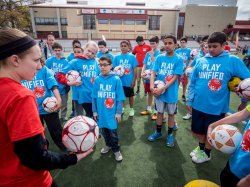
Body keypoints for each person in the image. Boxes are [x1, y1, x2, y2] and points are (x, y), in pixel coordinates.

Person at [0, 28, 92, 187]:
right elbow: (35, 158)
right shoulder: (20, 96)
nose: (39, 66)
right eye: (36, 60)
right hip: (28, 181)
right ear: (15, 60)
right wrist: (71, 158)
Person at [187, 31, 250, 164]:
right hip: (198, 104)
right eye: (209, 46)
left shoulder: (232, 60)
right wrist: (190, 100)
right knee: (200, 131)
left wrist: (241, 94)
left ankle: (207, 153)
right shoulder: (201, 60)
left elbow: (247, 80)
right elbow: (192, 82)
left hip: (216, 107)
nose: (210, 49)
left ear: (224, 45)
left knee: (212, 132)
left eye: (214, 46)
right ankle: (201, 148)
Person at [22, 58, 66, 151]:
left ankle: (64, 146)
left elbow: (53, 84)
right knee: (37, 134)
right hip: (32, 109)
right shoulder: (21, 73)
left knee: (56, 130)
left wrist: (58, 98)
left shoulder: (44, 69)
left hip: (49, 108)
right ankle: (43, 149)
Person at [147, 34, 184, 147]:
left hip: (171, 93)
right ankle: (158, 132)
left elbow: (175, 77)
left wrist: (163, 88)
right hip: (159, 93)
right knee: (159, 113)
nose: (167, 45)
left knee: (171, 115)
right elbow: (153, 72)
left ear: (175, 45)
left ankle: (170, 135)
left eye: (170, 43)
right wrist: (152, 85)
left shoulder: (178, 59)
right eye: (165, 43)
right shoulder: (159, 58)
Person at [92, 56, 125, 161]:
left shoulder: (116, 79)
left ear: (111, 66)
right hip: (101, 113)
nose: (102, 67)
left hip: (112, 113)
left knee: (113, 133)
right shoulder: (97, 79)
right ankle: (108, 145)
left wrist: (118, 112)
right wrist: (94, 111)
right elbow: (94, 97)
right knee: (104, 132)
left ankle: (116, 149)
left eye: (105, 65)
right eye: (100, 65)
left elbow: (120, 98)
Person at [207, 105, 250, 187]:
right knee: (225, 178)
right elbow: (241, 114)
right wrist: (212, 125)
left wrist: (248, 180)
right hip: (235, 163)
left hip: (245, 176)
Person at [58, 41, 100, 118]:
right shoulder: (75, 62)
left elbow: (99, 76)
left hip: (93, 94)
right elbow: (60, 75)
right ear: (84, 48)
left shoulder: (95, 62)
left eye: (93, 53)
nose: (90, 54)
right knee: (80, 118)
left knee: (93, 116)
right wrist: (69, 83)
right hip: (80, 95)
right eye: (89, 50)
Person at [113, 40, 138, 117]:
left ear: (128, 47)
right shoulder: (116, 57)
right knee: (121, 96)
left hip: (129, 81)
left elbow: (135, 69)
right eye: (122, 46)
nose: (123, 47)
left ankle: (131, 109)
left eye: (125, 46)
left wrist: (134, 80)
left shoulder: (132, 57)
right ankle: (122, 108)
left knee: (130, 96)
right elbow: (114, 69)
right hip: (119, 81)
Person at [46, 42, 69, 122]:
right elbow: (46, 72)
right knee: (54, 102)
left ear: (62, 50)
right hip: (53, 86)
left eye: (59, 50)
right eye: (56, 50)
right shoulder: (49, 61)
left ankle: (63, 116)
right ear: (53, 51)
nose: (58, 52)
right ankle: (55, 115)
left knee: (64, 103)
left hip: (63, 86)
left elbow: (67, 74)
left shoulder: (65, 61)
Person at [140, 36, 160, 117]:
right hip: (148, 77)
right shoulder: (147, 53)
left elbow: (157, 65)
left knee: (156, 94)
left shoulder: (159, 54)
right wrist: (142, 73)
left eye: (153, 43)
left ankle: (156, 111)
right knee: (149, 93)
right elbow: (144, 64)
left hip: (156, 78)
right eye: (150, 43)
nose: (152, 45)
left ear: (157, 43)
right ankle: (149, 109)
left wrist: (152, 56)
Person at [175, 37, 192, 102]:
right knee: (177, 83)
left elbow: (191, 59)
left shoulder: (189, 51)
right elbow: (175, 60)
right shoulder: (177, 51)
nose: (182, 43)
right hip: (178, 70)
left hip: (185, 70)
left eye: (183, 42)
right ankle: (175, 95)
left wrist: (187, 67)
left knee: (184, 83)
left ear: (186, 43)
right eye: (181, 42)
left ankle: (183, 95)